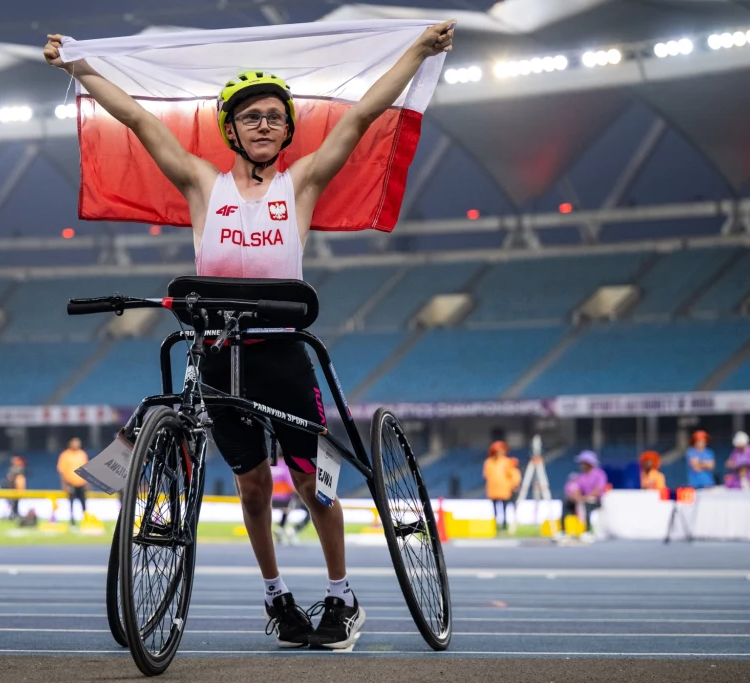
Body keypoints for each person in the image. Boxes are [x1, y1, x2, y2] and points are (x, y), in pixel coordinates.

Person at [43, 22, 455, 650]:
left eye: (274, 118)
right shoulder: (201, 185)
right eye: (251, 117)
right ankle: (277, 598)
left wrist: (418, 51)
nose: (263, 125)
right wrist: (76, 66)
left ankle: (342, 599)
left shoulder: (304, 184)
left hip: (285, 357)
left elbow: (367, 112)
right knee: (253, 485)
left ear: (287, 131)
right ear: (230, 130)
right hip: (217, 356)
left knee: (312, 483)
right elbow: (134, 118)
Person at [561, 451, 608, 539]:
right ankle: (563, 531)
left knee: (587, 505)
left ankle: (587, 531)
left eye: (583, 463)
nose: (581, 465)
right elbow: (577, 489)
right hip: (582, 500)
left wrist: (585, 498)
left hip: (595, 501)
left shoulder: (599, 474)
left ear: (588, 463)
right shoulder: (581, 476)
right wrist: (576, 497)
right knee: (566, 502)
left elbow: (598, 490)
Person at [483, 441, 521, 532]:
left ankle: (504, 525)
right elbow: (486, 474)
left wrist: (514, 484)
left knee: (504, 508)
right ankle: (495, 526)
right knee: (494, 509)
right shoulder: (489, 462)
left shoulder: (507, 461)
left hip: (504, 489)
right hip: (493, 490)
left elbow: (513, 473)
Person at [272, 457, 311, 546]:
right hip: (285, 500)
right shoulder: (285, 467)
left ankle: (280, 528)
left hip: (269, 500)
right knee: (309, 511)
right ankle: (294, 530)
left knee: (287, 509)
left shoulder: (270, 466)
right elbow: (292, 487)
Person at [57, 438, 90, 525]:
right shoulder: (65, 455)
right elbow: (62, 471)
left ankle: (85, 520)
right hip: (70, 483)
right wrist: (64, 485)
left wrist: (87, 483)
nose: (77, 445)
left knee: (83, 503)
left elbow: (86, 469)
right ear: (70, 444)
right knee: (71, 504)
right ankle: (72, 522)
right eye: (75, 443)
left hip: (81, 483)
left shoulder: (82, 454)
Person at [6, 456, 27, 521]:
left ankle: (14, 514)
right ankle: (13, 514)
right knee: (12, 504)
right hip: (12, 490)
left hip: (17, 490)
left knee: (15, 504)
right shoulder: (12, 470)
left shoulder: (18, 471)